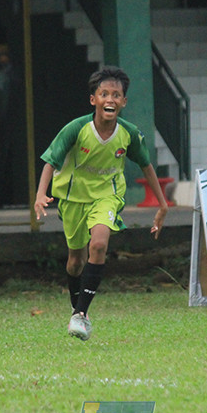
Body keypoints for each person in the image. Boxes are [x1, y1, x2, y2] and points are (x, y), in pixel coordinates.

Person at [34, 66, 169, 341]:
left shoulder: (129, 133)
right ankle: (76, 308)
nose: (110, 99)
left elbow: (146, 165)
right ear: (93, 99)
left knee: (98, 244)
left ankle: (81, 315)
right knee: (75, 261)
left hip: (107, 196)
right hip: (73, 199)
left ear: (124, 102)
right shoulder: (77, 129)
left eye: (116, 95)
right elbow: (51, 160)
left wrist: (163, 204)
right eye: (104, 94)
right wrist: (40, 194)